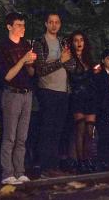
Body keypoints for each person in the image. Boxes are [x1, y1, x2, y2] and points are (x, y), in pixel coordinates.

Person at [33, 12, 76, 176]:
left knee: (58, 130)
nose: (54, 25)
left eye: (57, 22)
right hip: (47, 90)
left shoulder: (63, 42)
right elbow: (41, 69)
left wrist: (63, 61)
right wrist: (60, 62)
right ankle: (44, 166)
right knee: (47, 129)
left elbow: (71, 66)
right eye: (51, 22)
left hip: (63, 91)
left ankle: (54, 165)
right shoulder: (40, 43)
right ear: (46, 24)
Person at [0, 12, 37, 184]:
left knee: (22, 136)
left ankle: (20, 171)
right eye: (19, 25)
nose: (22, 28)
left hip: (27, 93)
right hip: (11, 93)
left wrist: (30, 64)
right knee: (10, 135)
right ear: (9, 26)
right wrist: (23, 60)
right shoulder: (3, 48)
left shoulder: (26, 44)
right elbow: (7, 76)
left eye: (23, 25)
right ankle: (7, 173)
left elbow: (32, 72)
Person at [68, 30, 96, 174]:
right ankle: (80, 161)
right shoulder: (70, 59)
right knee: (80, 129)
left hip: (90, 98)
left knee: (90, 131)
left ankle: (87, 159)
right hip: (78, 97)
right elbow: (73, 78)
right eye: (76, 40)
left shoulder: (89, 60)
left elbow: (95, 77)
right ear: (72, 43)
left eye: (81, 40)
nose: (79, 43)